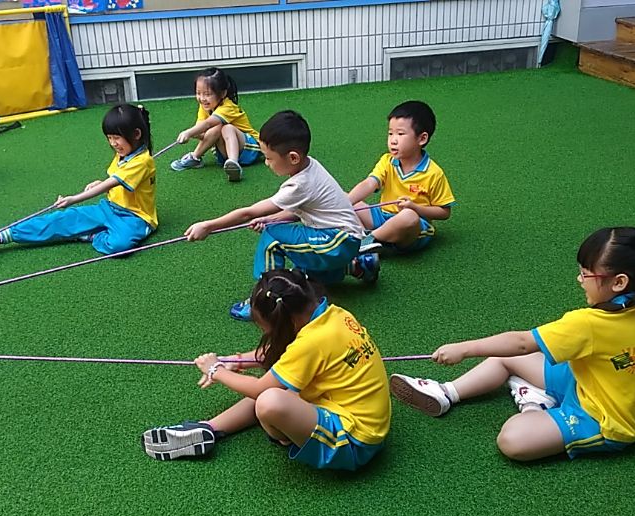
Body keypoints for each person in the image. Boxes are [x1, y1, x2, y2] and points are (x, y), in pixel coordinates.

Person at [391, 227, 635, 461]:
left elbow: (523, 343)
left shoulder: (590, 323)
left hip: (602, 420)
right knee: (503, 356)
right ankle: (446, 393)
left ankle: (534, 405)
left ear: (619, 282)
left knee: (512, 440)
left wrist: (463, 349)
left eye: (587, 273)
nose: (579, 279)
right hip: (586, 381)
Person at [142, 269, 391, 471]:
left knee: (270, 400)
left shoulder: (312, 342)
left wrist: (216, 370)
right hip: (357, 417)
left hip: (353, 442)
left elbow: (261, 388)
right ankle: (209, 428)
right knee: (280, 385)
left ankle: (283, 435)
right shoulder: (334, 315)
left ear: (286, 321)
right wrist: (237, 361)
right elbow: (287, 356)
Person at [183, 110, 378, 321]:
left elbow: (248, 212)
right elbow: (297, 211)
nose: (267, 163)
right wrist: (272, 219)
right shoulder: (310, 165)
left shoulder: (299, 184)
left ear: (293, 157)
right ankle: (358, 266)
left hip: (337, 241)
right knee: (300, 269)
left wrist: (208, 226)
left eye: (269, 158)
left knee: (273, 238)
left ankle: (262, 302)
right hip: (344, 240)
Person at [0, 104, 157, 256]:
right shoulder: (125, 153)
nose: (113, 143)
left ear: (136, 134)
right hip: (110, 207)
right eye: (109, 137)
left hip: (135, 218)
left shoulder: (143, 160)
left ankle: (90, 235)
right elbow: (116, 180)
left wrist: (75, 198)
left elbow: (114, 181)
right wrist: (101, 183)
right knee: (61, 219)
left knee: (119, 246)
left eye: (117, 138)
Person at [348, 100, 455, 254]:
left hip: (413, 228)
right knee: (347, 199)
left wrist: (415, 208)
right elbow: (369, 183)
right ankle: (367, 240)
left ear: (422, 139)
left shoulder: (433, 173)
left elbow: (444, 212)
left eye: (400, 134)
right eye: (390, 133)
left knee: (408, 216)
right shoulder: (387, 160)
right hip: (382, 216)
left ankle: (367, 240)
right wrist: (345, 202)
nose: (393, 140)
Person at [170, 67, 262, 182]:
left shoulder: (228, 106)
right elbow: (203, 133)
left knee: (225, 127)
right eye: (198, 93)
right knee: (216, 128)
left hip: (250, 148)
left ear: (223, 93)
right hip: (223, 153)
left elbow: (208, 123)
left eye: (207, 94)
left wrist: (189, 132)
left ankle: (233, 163)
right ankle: (196, 158)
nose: (202, 98)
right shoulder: (205, 107)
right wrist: (195, 134)